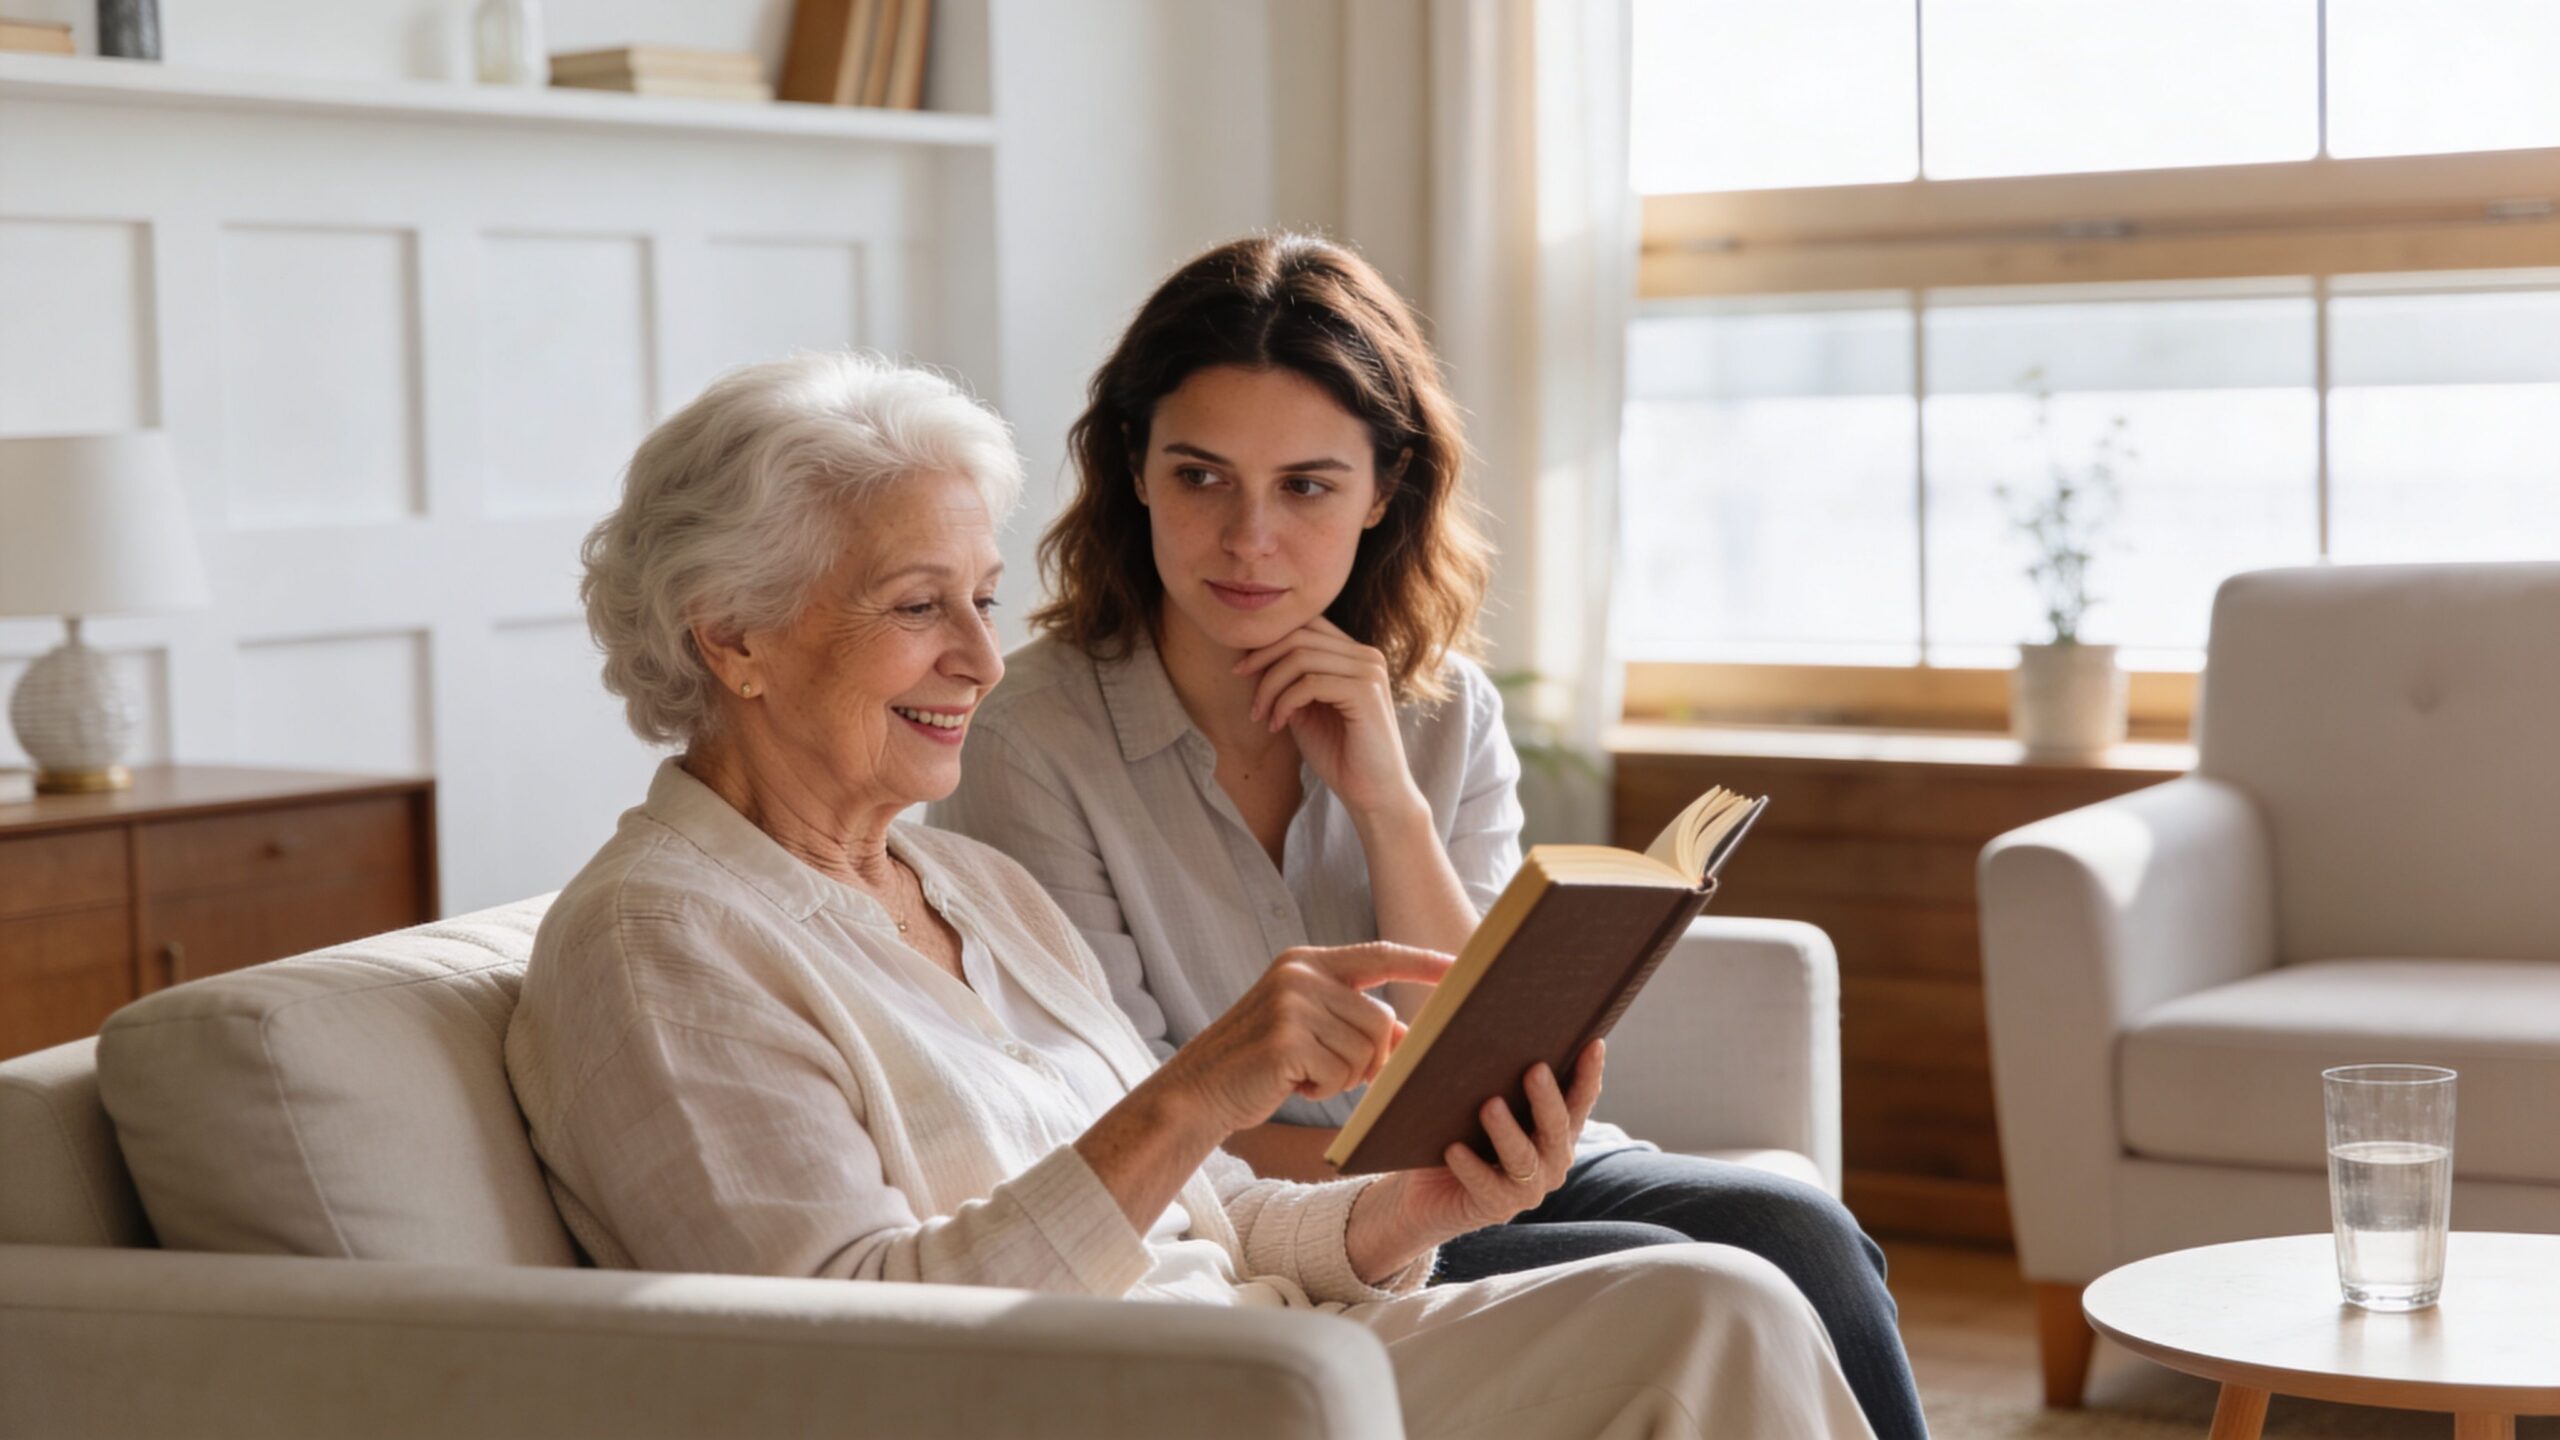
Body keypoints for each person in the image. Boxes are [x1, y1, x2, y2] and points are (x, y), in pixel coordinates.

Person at [502, 352, 1876, 1440]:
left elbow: (1203, 1214)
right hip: (1135, 1402)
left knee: (1722, 1290)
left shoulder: (962, 884)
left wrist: (1419, 1210)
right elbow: (846, 1361)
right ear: (731, 635)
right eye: (922, 606)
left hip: (1259, 1345)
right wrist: (1196, 1085)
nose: (983, 658)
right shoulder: (660, 942)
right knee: (1712, 1306)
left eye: (983, 598)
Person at [929, 235, 1928, 1440]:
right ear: (1133, 468)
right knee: (1677, 1270)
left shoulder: (1441, 707)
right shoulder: (1031, 735)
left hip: (1491, 1168)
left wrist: (1387, 801)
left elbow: (1501, 1051)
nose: (1249, 539)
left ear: (1382, 492)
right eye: (1201, 478)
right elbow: (1119, 1112)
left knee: (1797, 1231)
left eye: (1306, 486)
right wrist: (1400, 1183)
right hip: (1259, 1219)